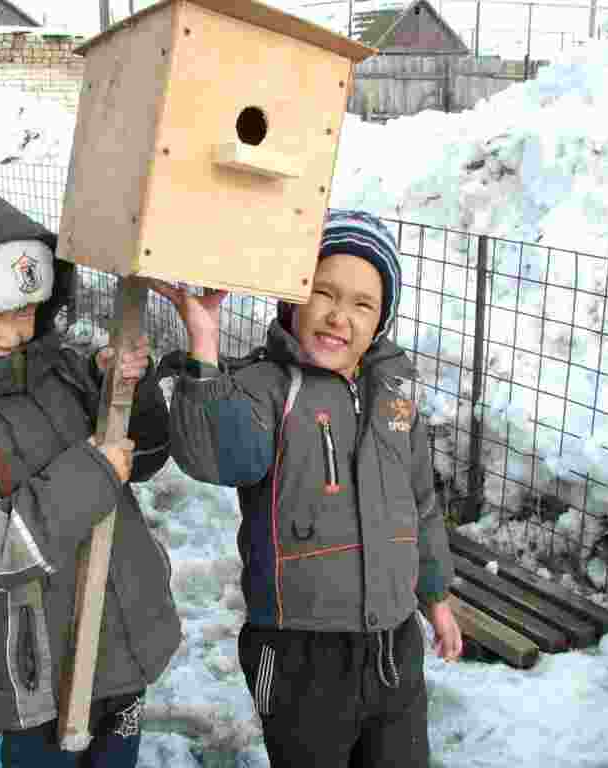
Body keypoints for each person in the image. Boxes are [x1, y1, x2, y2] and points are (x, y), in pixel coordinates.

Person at [150, 209, 462, 768]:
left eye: (363, 304)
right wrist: (203, 347)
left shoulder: (395, 393)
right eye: (324, 292)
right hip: (299, 655)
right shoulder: (268, 386)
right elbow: (213, 456)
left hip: (395, 645)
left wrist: (435, 597)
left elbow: (422, 504)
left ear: (381, 319)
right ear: (294, 296)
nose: (339, 316)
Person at [0, 178, 181, 768]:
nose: (13, 333)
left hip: (121, 640)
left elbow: (147, 461)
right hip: (35, 672)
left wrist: (123, 394)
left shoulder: (65, 374)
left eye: (25, 309)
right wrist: (89, 475)